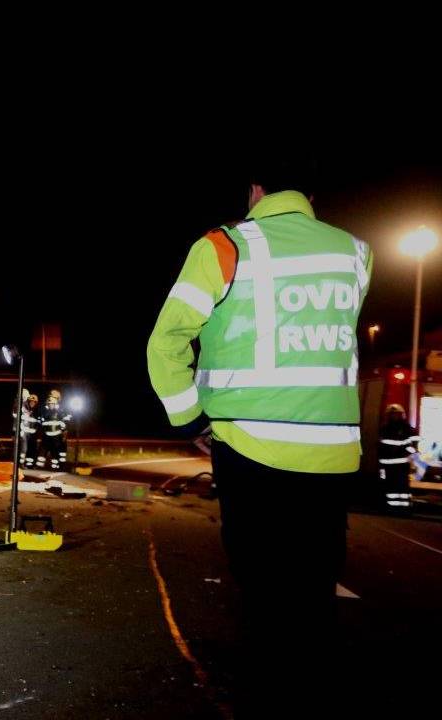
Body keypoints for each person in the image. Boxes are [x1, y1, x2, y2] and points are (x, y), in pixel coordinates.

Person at [146, 162, 372, 715]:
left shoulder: (225, 246)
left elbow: (165, 344)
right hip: (331, 455)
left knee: (263, 590)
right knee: (314, 591)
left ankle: (269, 694)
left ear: (254, 189)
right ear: (312, 192)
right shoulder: (357, 253)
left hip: (250, 449)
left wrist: (192, 419)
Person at [378, 403, 418, 513]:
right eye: (391, 414)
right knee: (392, 487)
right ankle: (393, 507)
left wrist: (409, 458)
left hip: (401, 465)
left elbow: (414, 446)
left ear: (401, 415)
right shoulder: (384, 429)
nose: (393, 416)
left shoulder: (407, 429)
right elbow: (381, 448)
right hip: (389, 466)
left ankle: (403, 507)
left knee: (401, 486)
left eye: (395, 414)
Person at [39, 389, 68, 471]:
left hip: (57, 435)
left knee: (57, 452)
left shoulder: (61, 410)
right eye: (50, 397)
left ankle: (59, 466)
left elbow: (64, 422)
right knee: (44, 450)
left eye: (54, 397)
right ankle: (40, 466)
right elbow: (43, 421)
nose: (51, 398)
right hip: (48, 435)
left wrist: (64, 432)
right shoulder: (46, 409)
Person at [18, 391, 40, 468]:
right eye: (31, 401)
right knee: (24, 449)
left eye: (34, 402)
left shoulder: (35, 412)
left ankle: (29, 464)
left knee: (31, 449)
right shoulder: (24, 409)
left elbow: (36, 423)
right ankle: (21, 464)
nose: (32, 403)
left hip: (31, 434)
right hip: (24, 433)